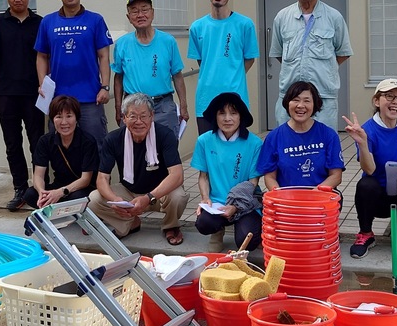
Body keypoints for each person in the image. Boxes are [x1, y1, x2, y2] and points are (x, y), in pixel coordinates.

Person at [87, 93, 189, 245]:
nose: (139, 122)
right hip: (129, 192)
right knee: (93, 199)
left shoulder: (165, 135)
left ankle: (171, 226)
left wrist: (148, 197)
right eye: (133, 116)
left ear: (152, 116)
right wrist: (115, 199)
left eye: (144, 116)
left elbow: (177, 175)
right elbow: (102, 178)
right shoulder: (113, 139)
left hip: (158, 194)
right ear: (124, 118)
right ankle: (130, 222)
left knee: (178, 196)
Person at [342, 78, 397, 259]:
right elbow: (370, 170)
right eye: (389, 96)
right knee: (366, 184)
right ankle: (366, 234)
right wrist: (363, 144)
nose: (395, 102)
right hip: (378, 198)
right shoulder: (368, 130)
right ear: (376, 101)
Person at [0, 0, 45, 211]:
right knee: (12, 143)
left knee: (38, 141)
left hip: (34, 92)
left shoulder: (40, 23)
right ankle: (20, 188)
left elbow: (46, 56)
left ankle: (40, 188)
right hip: (6, 91)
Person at [35, 0, 113, 151]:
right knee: (60, 147)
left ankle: (98, 180)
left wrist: (105, 86)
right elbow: (41, 56)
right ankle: (67, 180)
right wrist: (42, 85)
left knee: (97, 145)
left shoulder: (96, 20)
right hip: (58, 98)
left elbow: (104, 56)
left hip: (90, 97)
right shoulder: (48, 22)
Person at [269, 0, 353, 130]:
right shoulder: (282, 17)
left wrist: (326, 68)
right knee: (287, 143)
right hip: (289, 95)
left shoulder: (334, 17)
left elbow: (343, 52)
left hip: (323, 95)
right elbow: (279, 53)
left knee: (323, 143)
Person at [188, 0, 259, 133]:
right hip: (206, 99)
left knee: (234, 150)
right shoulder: (197, 27)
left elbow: (250, 59)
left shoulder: (244, 24)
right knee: (209, 150)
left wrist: (233, 74)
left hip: (236, 97)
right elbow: (203, 61)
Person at [191, 92, 264, 253]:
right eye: (221, 113)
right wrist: (205, 199)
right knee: (204, 223)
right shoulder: (204, 141)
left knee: (248, 240)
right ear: (215, 116)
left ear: (241, 116)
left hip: (245, 203)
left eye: (233, 113)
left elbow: (253, 182)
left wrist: (235, 206)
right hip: (216, 203)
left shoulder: (255, 143)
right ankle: (217, 232)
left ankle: (245, 225)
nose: (227, 118)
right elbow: (203, 177)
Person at [111, 0, 189, 138]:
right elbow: (118, 78)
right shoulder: (122, 44)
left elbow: (177, 76)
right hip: (133, 108)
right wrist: (118, 108)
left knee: (166, 154)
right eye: (134, 11)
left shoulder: (168, 41)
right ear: (129, 17)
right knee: (134, 155)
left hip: (163, 106)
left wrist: (184, 106)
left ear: (152, 13)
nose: (140, 15)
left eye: (144, 9)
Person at [258, 81, 345, 192]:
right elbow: (269, 177)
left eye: (307, 101)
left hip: (320, 197)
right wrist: (280, 195)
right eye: (295, 100)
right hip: (286, 200)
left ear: (315, 105)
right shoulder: (274, 137)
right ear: (287, 103)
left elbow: (336, 176)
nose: (300, 105)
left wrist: (313, 195)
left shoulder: (328, 135)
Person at [21, 95, 98, 209]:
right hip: (58, 185)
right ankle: (61, 211)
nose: (64, 122)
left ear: (76, 118)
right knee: (30, 194)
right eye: (58, 117)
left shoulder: (88, 141)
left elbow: (85, 179)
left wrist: (61, 192)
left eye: (69, 116)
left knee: (76, 198)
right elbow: (38, 175)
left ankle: (60, 211)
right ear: (53, 119)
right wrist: (42, 192)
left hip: (80, 188)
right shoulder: (45, 141)